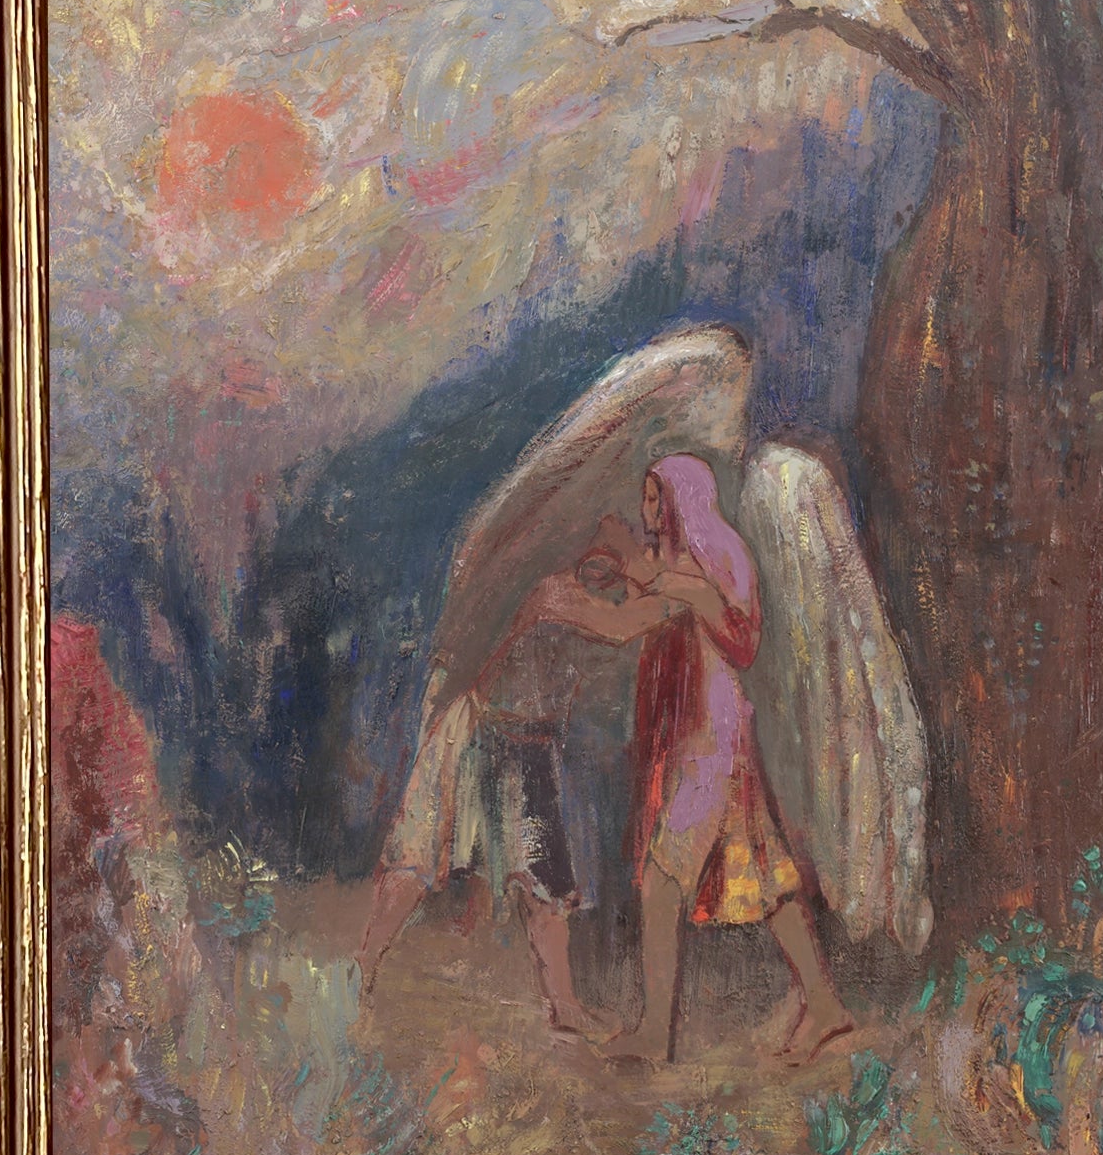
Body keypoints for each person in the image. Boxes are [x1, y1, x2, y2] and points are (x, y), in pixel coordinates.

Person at [526, 455, 854, 1066]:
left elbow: (633, 623)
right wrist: (619, 568)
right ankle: (825, 1004)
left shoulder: (701, 568)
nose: (649, 511)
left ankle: (656, 1034)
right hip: (694, 739)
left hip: (710, 741)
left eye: (658, 499)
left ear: (685, 500)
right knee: (764, 874)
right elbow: (642, 598)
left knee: (662, 878)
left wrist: (562, 602)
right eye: (646, 499)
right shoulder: (675, 566)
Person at [353, 592, 611, 1041]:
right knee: (420, 852)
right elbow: (617, 623)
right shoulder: (545, 583)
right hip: (476, 725)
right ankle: (363, 963)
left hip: (524, 734)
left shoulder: (559, 576)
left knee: (543, 877)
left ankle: (564, 1003)